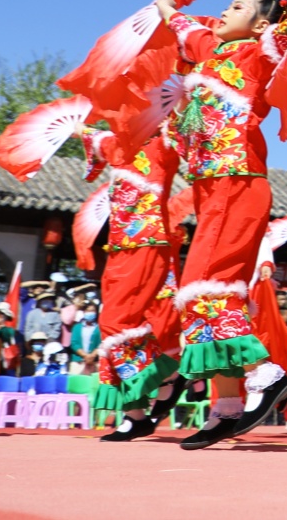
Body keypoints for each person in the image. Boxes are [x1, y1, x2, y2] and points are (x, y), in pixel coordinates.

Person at [153, 0, 287, 448]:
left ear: (261, 24)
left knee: (207, 286)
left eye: (237, 7)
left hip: (237, 182)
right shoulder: (209, 51)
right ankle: (227, 406)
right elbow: (184, 26)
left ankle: (266, 373)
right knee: (203, 294)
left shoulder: (260, 54)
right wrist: (166, 8)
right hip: (211, 189)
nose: (223, 11)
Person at [79, 126, 183, 441]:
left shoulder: (162, 144)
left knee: (115, 322)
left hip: (146, 245)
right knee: (118, 329)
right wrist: (76, 128)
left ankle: (169, 374)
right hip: (118, 249)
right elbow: (97, 141)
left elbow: (183, 135)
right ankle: (135, 414)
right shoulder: (120, 147)